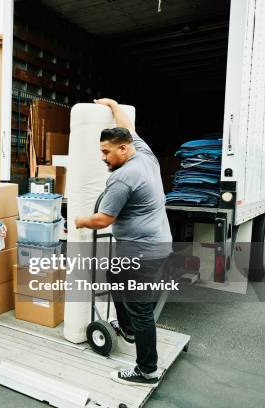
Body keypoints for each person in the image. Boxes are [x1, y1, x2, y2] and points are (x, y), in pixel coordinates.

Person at [75, 98, 172, 388]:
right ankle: (128, 329)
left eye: (106, 153)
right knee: (115, 274)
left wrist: (79, 221)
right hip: (155, 245)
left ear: (122, 149)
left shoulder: (123, 178)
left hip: (142, 252)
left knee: (140, 309)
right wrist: (114, 106)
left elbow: (103, 219)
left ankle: (146, 371)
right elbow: (127, 126)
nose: (103, 158)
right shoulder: (143, 153)